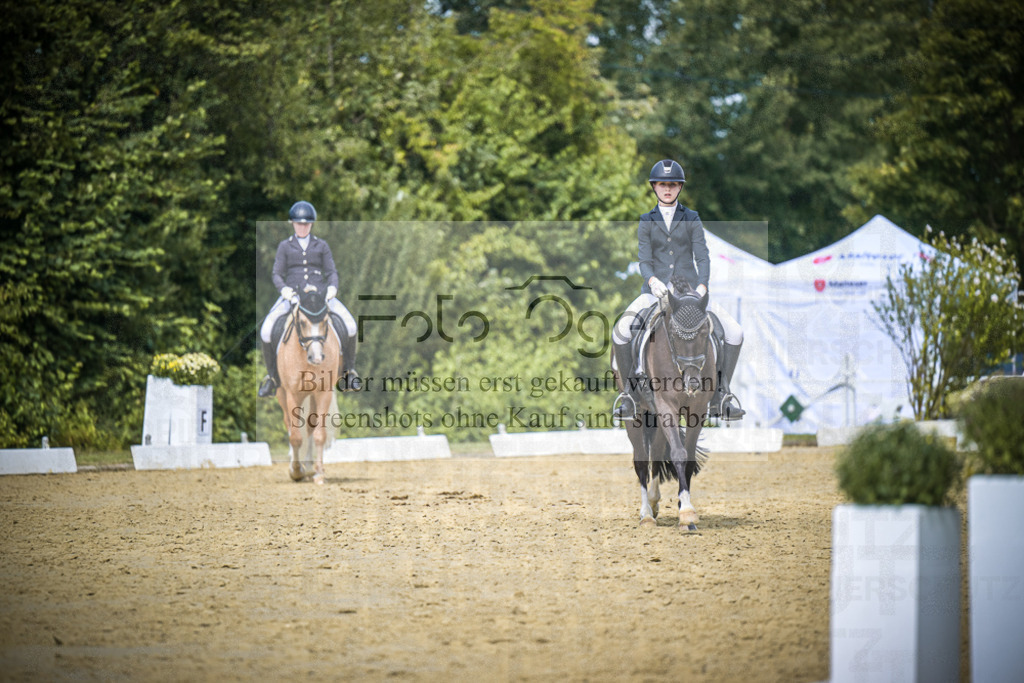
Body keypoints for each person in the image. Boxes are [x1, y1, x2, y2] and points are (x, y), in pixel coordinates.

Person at [612, 159, 745, 420]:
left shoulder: (692, 218)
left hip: (691, 294)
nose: (668, 189)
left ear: (679, 187)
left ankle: (722, 394)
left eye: (673, 184)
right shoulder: (646, 220)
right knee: (621, 331)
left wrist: (701, 286)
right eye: (663, 184)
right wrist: (652, 281)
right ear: (655, 187)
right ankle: (629, 394)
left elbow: (703, 257)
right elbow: (644, 259)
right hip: (655, 290)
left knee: (734, 332)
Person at [258, 200, 361, 397]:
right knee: (266, 330)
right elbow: (277, 274)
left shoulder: (321, 245)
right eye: (299, 224)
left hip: (320, 297)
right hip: (293, 297)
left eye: (306, 224)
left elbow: (331, 272)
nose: (302, 227)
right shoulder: (284, 247)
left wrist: (332, 288)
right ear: (293, 224)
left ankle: (349, 371)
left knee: (351, 325)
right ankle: (272, 378)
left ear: (311, 224)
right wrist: (285, 291)